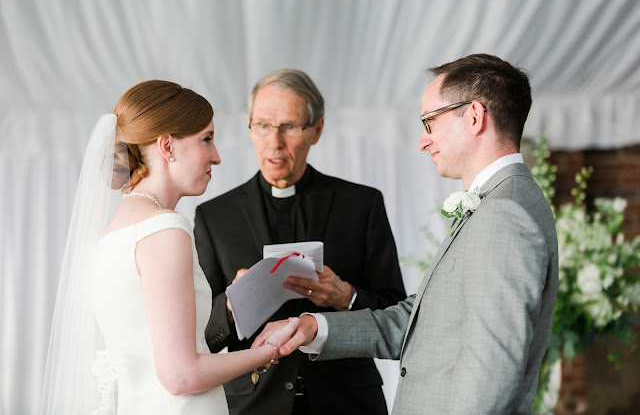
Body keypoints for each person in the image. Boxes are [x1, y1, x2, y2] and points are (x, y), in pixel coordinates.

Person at [255, 54, 560, 414]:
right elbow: (419, 320)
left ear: (475, 117)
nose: (422, 140)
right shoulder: (505, 200)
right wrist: (314, 326)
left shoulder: (504, 215)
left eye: (429, 122)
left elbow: (491, 373)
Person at [40, 80, 299, 415]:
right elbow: (181, 376)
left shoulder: (114, 231)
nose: (216, 156)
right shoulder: (166, 229)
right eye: (206, 138)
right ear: (167, 146)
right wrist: (268, 350)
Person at [194, 69, 406, 414]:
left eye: (289, 127)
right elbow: (200, 331)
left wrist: (346, 297)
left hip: (348, 402)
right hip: (253, 403)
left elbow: (395, 310)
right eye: (263, 125)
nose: (274, 142)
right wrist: (232, 307)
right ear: (249, 127)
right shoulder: (214, 215)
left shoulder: (361, 205)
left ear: (316, 130)